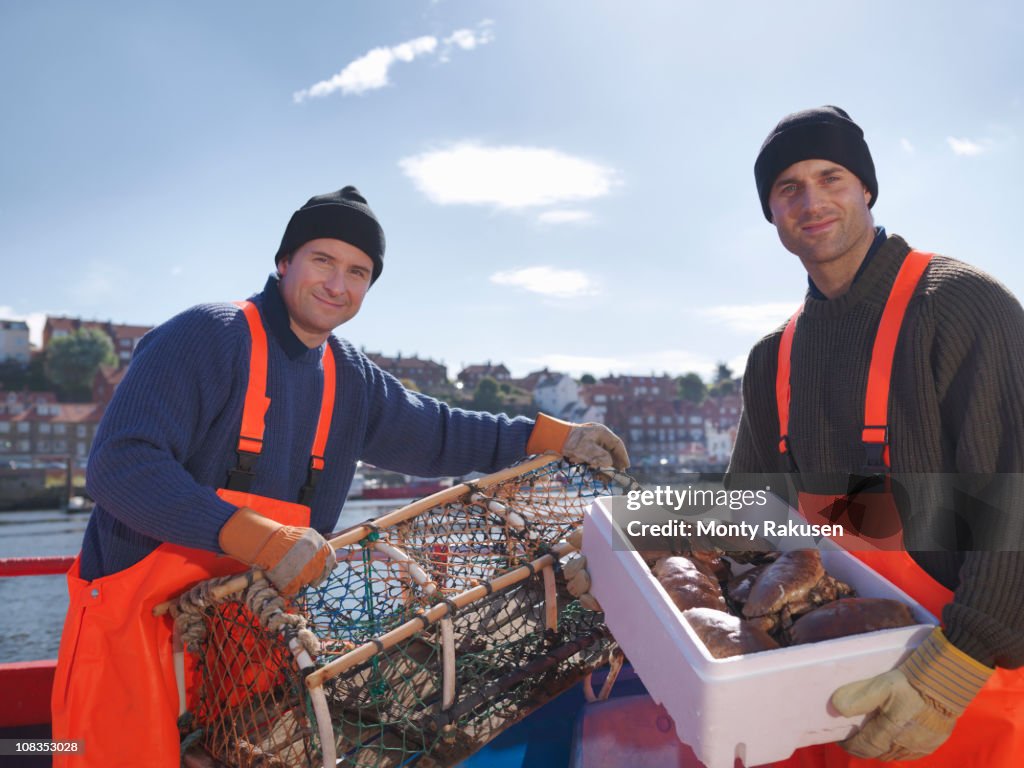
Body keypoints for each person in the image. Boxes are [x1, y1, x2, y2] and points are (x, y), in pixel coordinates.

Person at [50, 185, 629, 767]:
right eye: (322, 260)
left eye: (358, 271)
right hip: (135, 644)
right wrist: (260, 538)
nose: (337, 284)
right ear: (284, 263)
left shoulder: (348, 378)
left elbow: (441, 430)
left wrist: (551, 437)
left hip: (253, 649)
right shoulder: (207, 336)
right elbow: (120, 465)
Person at [726, 106, 1024, 765]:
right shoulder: (771, 358)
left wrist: (955, 668)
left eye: (831, 176)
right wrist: (634, 557)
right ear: (771, 214)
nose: (812, 201)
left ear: (866, 188)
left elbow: (1017, 500)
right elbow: (747, 517)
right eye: (788, 188)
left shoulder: (961, 307)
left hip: (953, 698)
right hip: (811, 705)